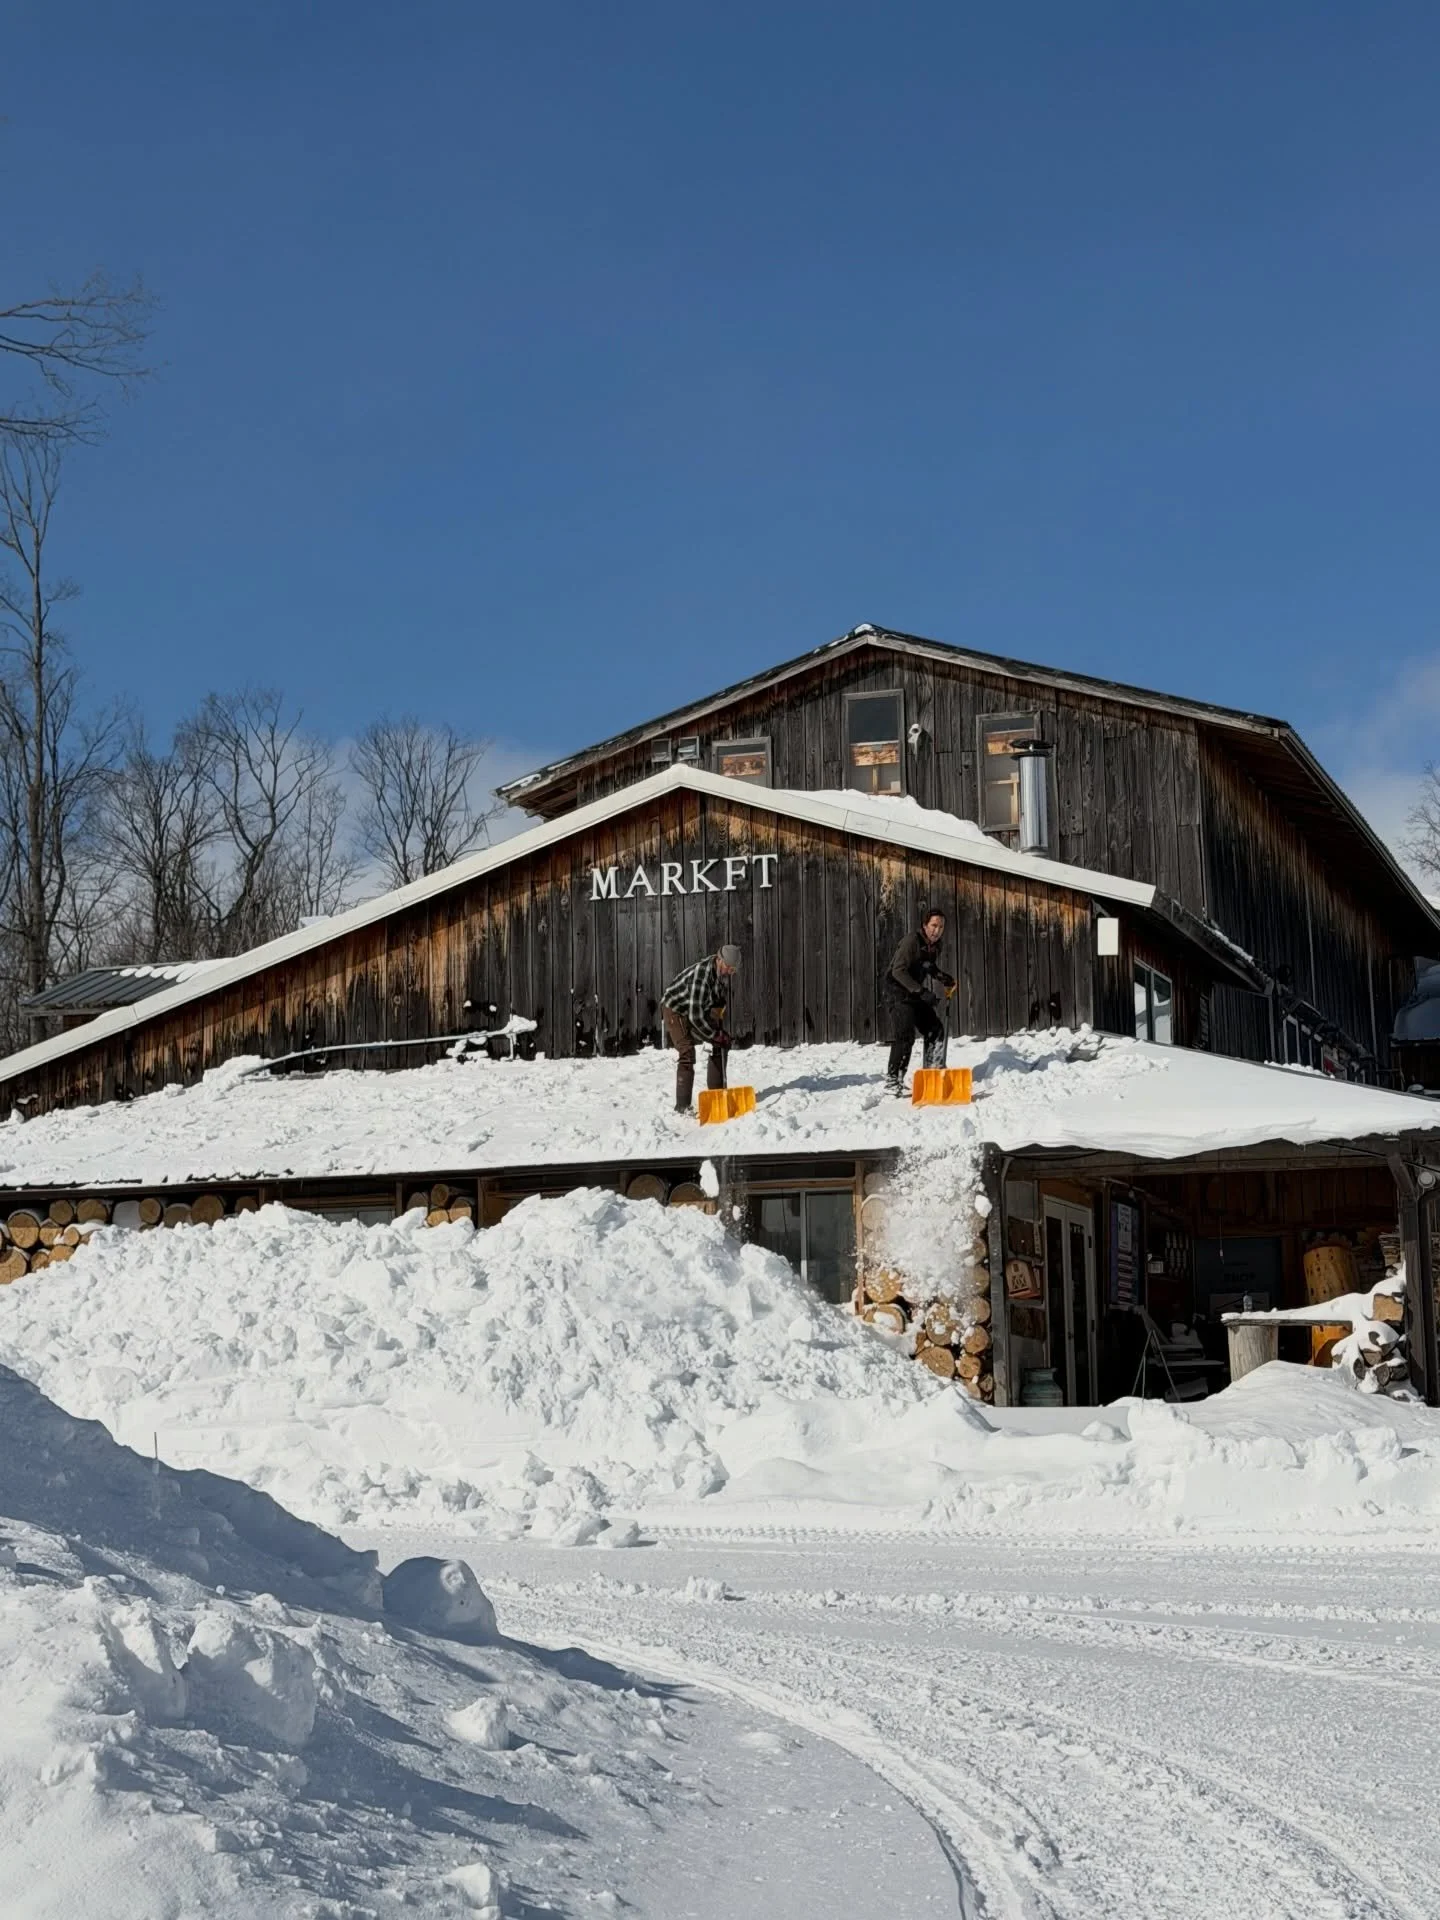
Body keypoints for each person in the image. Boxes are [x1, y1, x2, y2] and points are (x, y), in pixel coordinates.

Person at [661, 944, 741, 1113]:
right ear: (719, 960)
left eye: (733, 970)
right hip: (676, 1009)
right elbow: (695, 1017)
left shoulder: (719, 974)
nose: (729, 972)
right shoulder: (701, 977)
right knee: (687, 1052)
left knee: (720, 1044)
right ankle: (682, 1107)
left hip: (696, 1009)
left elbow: (717, 1000)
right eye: (729, 968)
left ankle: (716, 1097)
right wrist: (713, 1034)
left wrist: (718, 1029)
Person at [884, 911, 955, 1095]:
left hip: (914, 992)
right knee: (905, 1034)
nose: (937, 931)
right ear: (925, 926)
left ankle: (934, 1071)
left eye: (940, 927)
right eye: (933, 926)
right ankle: (893, 1081)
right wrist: (921, 991)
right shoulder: (911, 942)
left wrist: (941, 977)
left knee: (935, 1028)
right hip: (898, 992)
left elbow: (927, 965)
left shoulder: (934, 946)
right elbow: (898, 971)